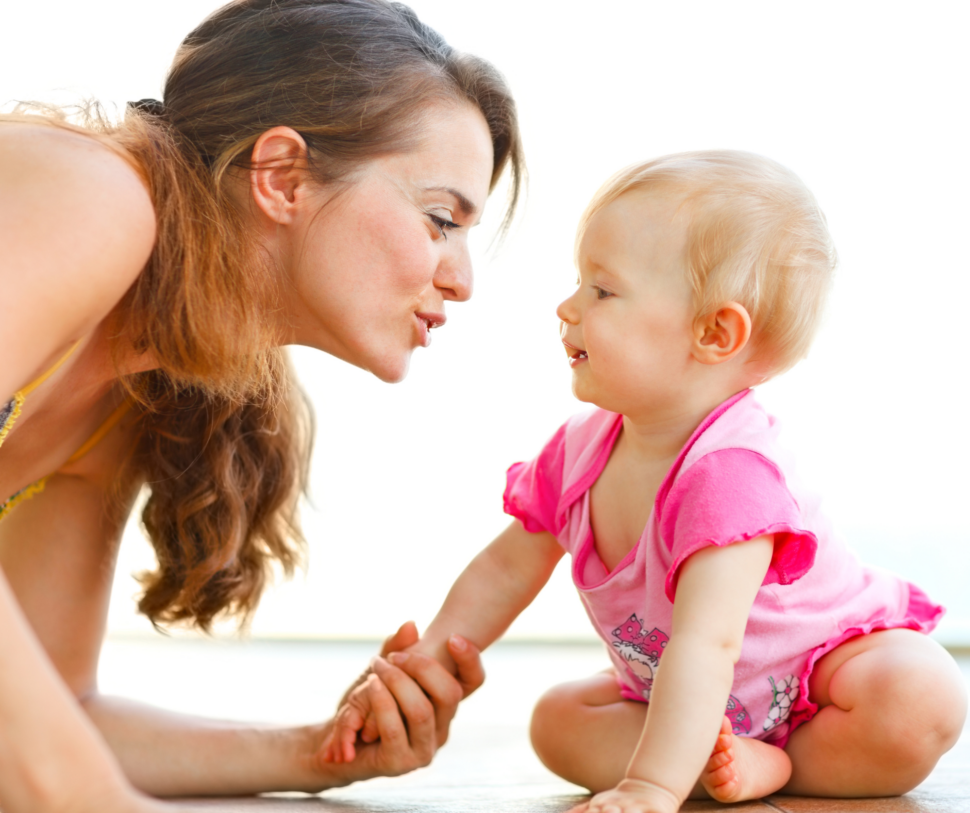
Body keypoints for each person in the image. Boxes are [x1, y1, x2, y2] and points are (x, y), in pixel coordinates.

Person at [0, 0, 524, 810]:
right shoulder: (94, 193)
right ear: (281, 176)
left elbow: (53, 716)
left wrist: (319, 751)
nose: (461, 279)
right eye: (438, 219)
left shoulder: (126, 396)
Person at [326, 151, 967, 812]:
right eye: (579, 282)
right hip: (686, 697)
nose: (567, 306)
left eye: (602, 291)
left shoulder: (730, 472)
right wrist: (426, 662)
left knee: (919, 698)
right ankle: (711, 760)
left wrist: (649, 788)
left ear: (714, 332)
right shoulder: (580, 450)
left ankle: (775, 763)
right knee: (557, 722)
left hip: (818, 684)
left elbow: (707, 642)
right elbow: (503, 571)